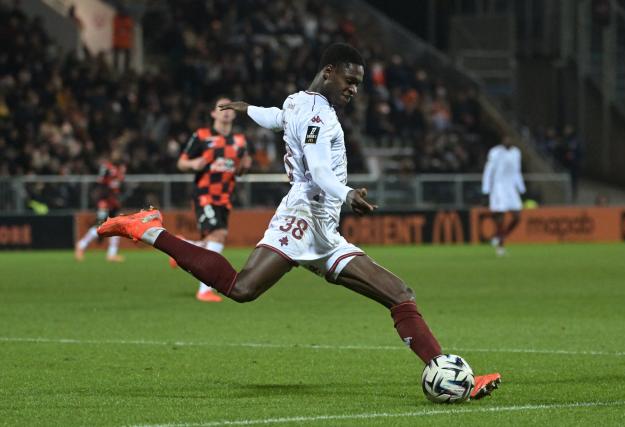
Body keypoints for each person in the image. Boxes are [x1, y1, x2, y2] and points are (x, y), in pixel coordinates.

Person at [98, 43, 500, 399]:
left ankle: (449, 375)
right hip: (305, 216)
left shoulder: (297, 101)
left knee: (399, 293)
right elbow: (319, 170)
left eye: (358, 84)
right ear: (329, 72)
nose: (354, 90)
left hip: (325, 229)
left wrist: (247, 109)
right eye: (349, 81)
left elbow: (276, 116)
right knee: (242, 288)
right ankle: (149, 229)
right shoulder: (319, 117)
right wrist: (348, 194)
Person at [175, 96, 252, 302]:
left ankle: (182, 245)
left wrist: (245, 166)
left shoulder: (240, 141)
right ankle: (204, 290)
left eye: (230, 108)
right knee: (218, 236)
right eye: (221, 108)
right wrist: (193, 164)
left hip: (225, 196)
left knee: (213, 239)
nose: (226, 112)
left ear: (234, 114)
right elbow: (181, 163)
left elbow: (240, 170)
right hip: (204, 194)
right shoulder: (201, 135)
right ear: (213, 113)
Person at [75, 151, 126, 262]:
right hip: (104, 202)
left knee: (115, 227)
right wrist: (102, 199)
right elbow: (101, 184)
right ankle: (81, 245)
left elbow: (120, 187)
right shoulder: (107, 168)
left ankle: (112, 254)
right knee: (100, 226)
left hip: (113, 202)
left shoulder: (119, 169)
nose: (117, 155)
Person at [481, 135, 526, 256]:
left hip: (511, 187)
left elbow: (517, 171)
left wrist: (521, 188)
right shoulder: (495, 152)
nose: (508, 141)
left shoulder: (516, 152)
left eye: (510, 139)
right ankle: (500, 246)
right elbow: (489, 170)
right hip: (498, 187)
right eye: (506, 139)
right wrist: (486, 189)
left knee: (517, 217)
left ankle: (500, 236)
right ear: (502, 140)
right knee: (500, 215)